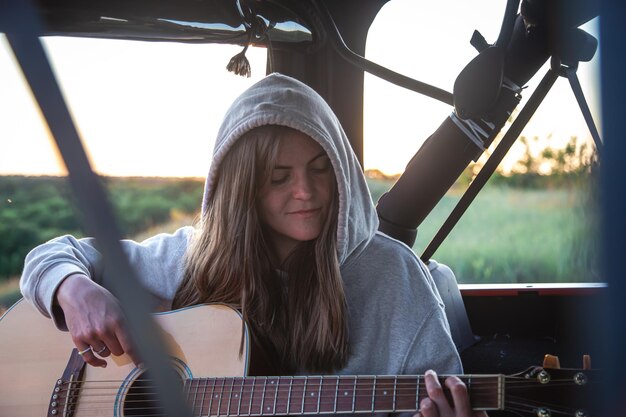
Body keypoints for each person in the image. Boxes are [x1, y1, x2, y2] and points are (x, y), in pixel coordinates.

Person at [20, 73, 485, 417]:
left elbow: (443, 387)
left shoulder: (393, 278)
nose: (306, 191)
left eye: (321, 168)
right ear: (242, 189)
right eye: (279, 177)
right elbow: (53, 256)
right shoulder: (189, 258)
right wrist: (75, 292)